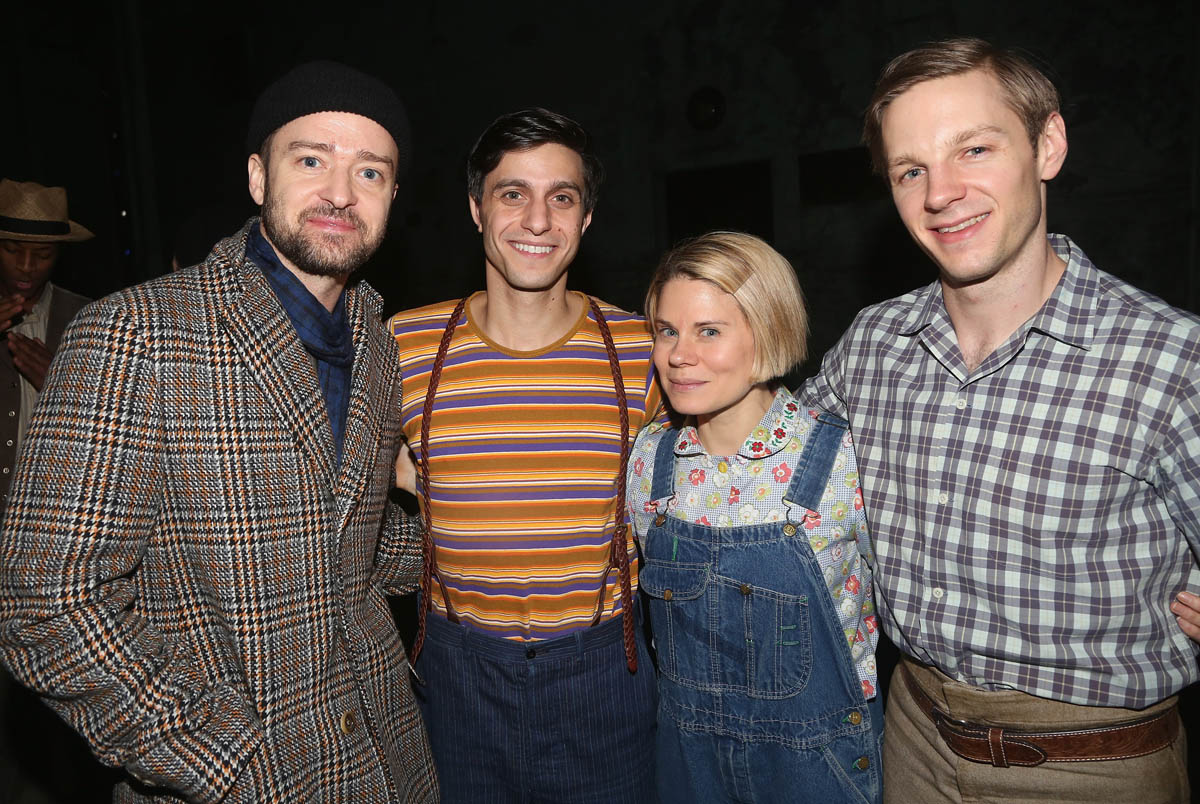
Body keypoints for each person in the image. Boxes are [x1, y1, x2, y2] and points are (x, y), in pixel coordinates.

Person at [0, 60, 438, 803]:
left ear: (393, 196)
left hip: (391, 762)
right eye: (311, 160)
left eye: (370, 172)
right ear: (258, 177)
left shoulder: (377, 340)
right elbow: (45, 605)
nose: (340, 192)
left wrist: (491, 545)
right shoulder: (136, 332)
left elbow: (349, 542)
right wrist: (226, 761)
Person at [800, 37, 1199, 802]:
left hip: (1094, 768)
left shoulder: (1173, 360)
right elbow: (771, 463)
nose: (941, 193)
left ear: (1047, 146)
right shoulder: (874, 343)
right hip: (910, 740)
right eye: (910, 170)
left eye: (974, 149)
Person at [389, 108, 661, 802]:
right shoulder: (405, 345)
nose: (537, 220)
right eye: (513, 193)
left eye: (561, 197)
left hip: (605, 675)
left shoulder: (645, 350)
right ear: (476, 208)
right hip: (458, 682)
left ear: (586, 217)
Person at [629, 232, 882, 803]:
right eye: (667, 330)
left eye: (708, 331)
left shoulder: (843, 460)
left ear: (767, 330)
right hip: (689, 765)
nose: (678, 355)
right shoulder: (650, 462)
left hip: (817, 767)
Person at [0, 179, 93, 507]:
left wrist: (62, 386)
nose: (26, 266)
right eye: (12, 250)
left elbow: (118, 434)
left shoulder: (88, 318)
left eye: (42, 254)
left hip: (55, 514)